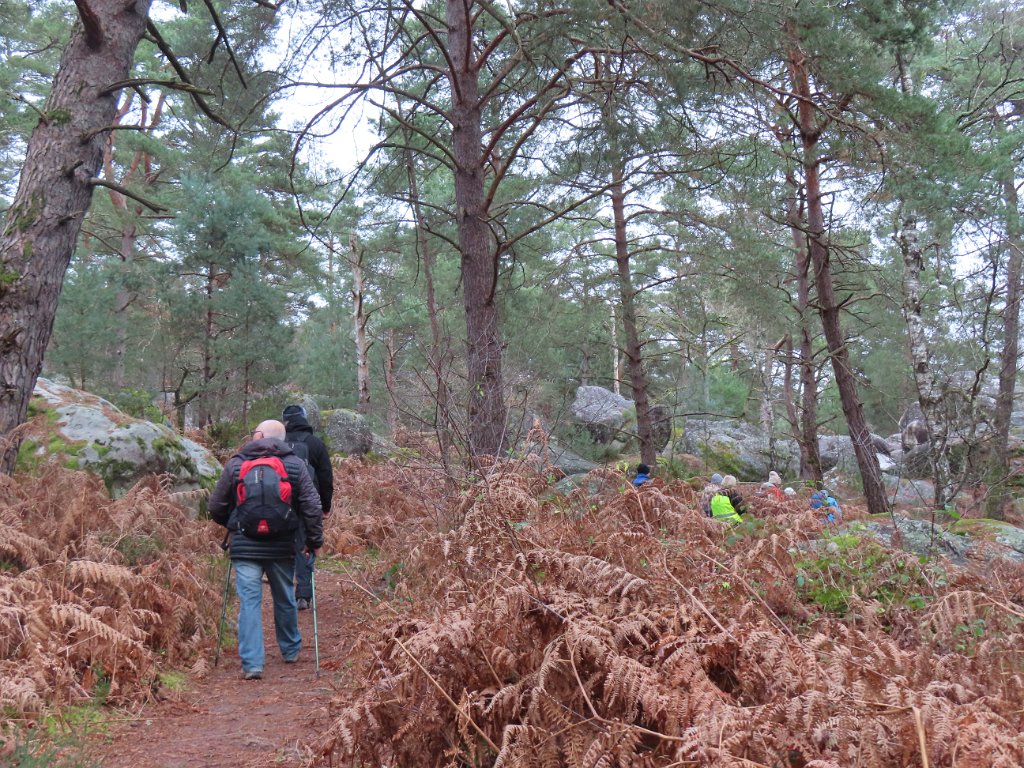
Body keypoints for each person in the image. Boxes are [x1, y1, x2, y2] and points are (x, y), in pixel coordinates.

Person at [208, 419, 324, 680]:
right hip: (282, 544)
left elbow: (215, 506)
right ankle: (290, 649)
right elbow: (312, 506)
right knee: (284, 595)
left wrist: (235, 523)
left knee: (249, 602)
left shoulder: (236, 464)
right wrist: (313, 541)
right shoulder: (294, 464)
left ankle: (252, 664)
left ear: (259, 435)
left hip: (244, 545)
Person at [282, 404, 334, 611]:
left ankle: (284, 590)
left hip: (281, 502)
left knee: (283, 545)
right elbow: (326, 477)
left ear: (285, 421)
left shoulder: (278, 442)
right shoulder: (315, 443)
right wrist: (325, 506)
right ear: (304, 418)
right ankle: (303, 594)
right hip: (307, 502)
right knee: (305, 545)